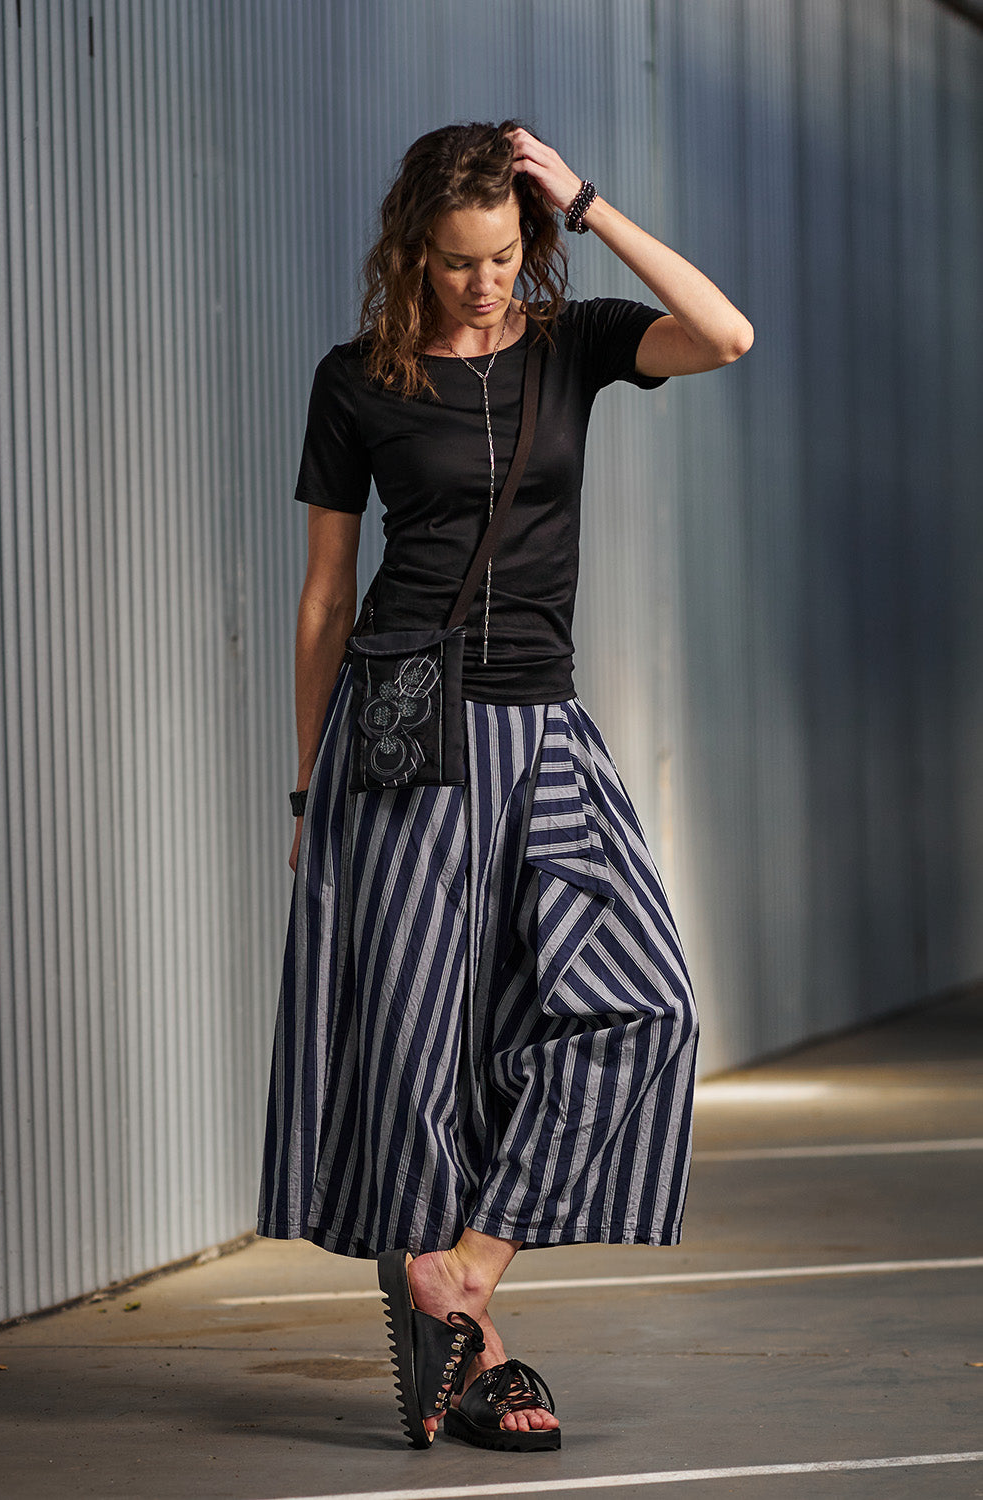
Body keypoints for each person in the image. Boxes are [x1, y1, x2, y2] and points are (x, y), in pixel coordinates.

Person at [256, 120, 753, 1453]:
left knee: (645, 1000)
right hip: (404, 733)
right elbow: (323, 601)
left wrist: (586, 203)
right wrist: (306, 789)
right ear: (410, 253)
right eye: (457, 261)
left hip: (544, 724)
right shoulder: (356, 381)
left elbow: (724, 334)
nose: (483, 284)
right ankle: (471, 1347)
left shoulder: (573, 343)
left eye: (502, 256)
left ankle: (466, 1268)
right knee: (430, 1042)